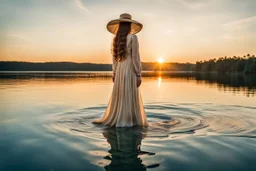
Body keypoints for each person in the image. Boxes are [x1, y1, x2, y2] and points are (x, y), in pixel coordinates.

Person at [92, 13, 148, 127]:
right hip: (130, 69)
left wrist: (115, 72)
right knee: (129, 95)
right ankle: (129, 121)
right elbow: (135, 57)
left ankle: (119, 118)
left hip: (120, 70)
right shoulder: (133, 37)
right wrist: (138, 74)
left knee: (121, 94)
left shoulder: (116, 39)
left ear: (120, 25)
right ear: (129, 25)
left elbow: (115, 58)